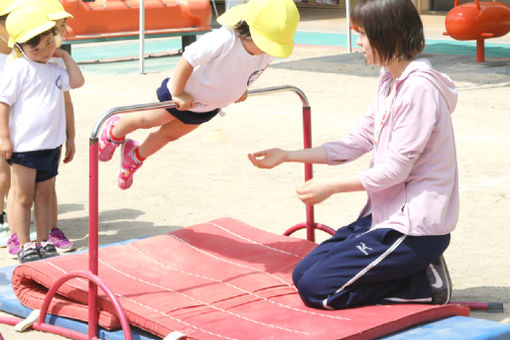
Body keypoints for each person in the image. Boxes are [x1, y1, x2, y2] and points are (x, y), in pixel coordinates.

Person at [248, 0, 458, 309]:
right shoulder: (389, 80)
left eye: (363, 35)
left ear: (389, 35)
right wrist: (288, 155)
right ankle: (411, 271)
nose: (358, 43)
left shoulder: (419, 91)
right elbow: (355, 141)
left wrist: (330, 187)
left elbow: (396, 171)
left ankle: (421, 283)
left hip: (414, 229)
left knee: (317, 290)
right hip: (386, 215)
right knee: (303, 272)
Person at [98, 0, 299, 189]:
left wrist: (242, 87)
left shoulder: (267, 51)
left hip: (207, 106)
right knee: (145, 120)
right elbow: (188, 59)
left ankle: (134, 156)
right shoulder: (225, 39)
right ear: (249, 30)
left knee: (169, 135)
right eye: (267, 44)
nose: (268, 51)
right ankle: (114, 131)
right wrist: (177, 92)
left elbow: (257, 69)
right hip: (182, 97)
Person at [0, 5, 84, 263]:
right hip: (24, 147)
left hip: (50, 145)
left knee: (44, 196)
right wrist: (4, 136)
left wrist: (63, 55)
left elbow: (77, 82)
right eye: (35, 48)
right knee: (23, 197)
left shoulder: (55, 68)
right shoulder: (17, 69)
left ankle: (44, 240)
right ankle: (25, 244)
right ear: (20, 48)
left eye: (48, 43)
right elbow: (3, 103)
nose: (44, 52)